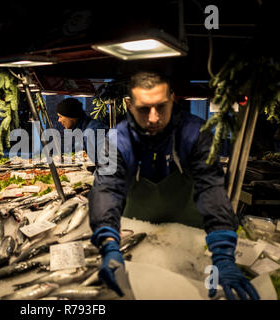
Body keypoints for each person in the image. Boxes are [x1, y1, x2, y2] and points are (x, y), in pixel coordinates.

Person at [88, 71, 260, 300]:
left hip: (191, 242)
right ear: (129, 105)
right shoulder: (117, 141)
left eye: (161, 107)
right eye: (143, 109)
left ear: (173, 99)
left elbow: (211, 189)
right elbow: (106, 189)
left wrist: (222, 251)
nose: (153, 118)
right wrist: (108, 242)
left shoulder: (195, 133)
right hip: (137, 238)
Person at [57, 98, 109, 163]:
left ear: (71, 116)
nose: (59, 120)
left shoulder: (92, 132)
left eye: (60, 116)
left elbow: (105, 165)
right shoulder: (84, 130)